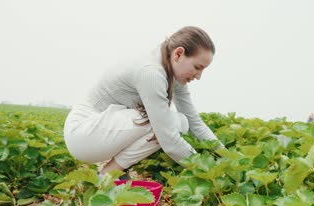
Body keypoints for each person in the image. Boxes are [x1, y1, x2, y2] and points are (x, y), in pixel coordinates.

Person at [63, 26, 224, 180]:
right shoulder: (151, 73)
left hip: (101, 130)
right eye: (197, 67)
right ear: (178, 54)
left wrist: (228, 157)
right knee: (172, 123)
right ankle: (107, 175)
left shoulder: (171, 71)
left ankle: (112, 173)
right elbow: (169, 141)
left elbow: (194, 122)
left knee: (181, 121)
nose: (199, 76)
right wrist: (207, 171)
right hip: (84, 133)